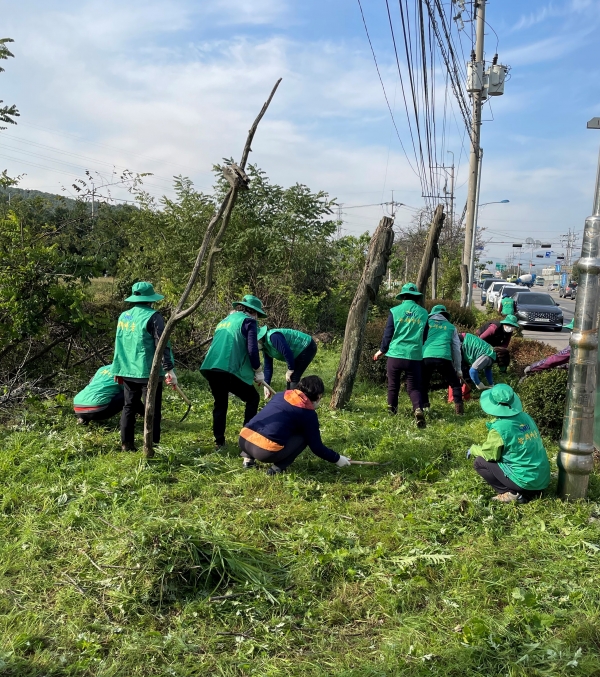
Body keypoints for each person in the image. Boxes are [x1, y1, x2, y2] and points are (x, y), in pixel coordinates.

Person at [238, 375, 351, 475]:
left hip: (244, 439)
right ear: (318, 397)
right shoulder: (308, 414)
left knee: (266, 426)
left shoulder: (280, 395)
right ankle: (277, 468)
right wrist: (337, 458)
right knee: (305, 436)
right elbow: (317, 447)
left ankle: (248, 460)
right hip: (264, 452)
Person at [112, 282, 176, 451]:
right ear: (151, 299)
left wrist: (116, 369)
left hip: (127, 370)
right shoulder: (154, 317)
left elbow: (119, 344)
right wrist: (169, 369)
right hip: (148, 371)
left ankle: (127, 444)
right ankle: (151, 444)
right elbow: (161, 345)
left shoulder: (123, 316)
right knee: (152, 408)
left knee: (128, 407)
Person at [200, 294, 266, 450]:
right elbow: (252, 349)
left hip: (211, 366)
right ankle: (246, 439)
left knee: (220, 404)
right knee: (253, 398)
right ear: (254, 312)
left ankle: (219, 442)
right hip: (227, 368)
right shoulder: (249, 321)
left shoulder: (224, 321)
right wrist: (258, 370)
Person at [468, 383, 550, 503]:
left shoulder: (499, 428)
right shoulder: (525, 417)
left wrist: (473, 449)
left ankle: (511, 493)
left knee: (480, 462)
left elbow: (490, 455)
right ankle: (527, 492)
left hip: (524, 481)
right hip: (542, 479)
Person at [373, 282, 429, 427]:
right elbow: (425, 335)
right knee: (414, 387)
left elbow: (388, 334)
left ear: (403, 296)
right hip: (414, 356)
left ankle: (391, 412)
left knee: (393, 385)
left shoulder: (395, 311)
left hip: (395, 355)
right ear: (416, 297)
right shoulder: (424, 313)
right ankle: (417, 409)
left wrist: (382, 350)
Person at [421, 304, 464, 415]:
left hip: (426, 357)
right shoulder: (451, 327)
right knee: (455, 384)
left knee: (423, 384)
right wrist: (458, 369)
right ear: (445, 315)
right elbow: (456, 349)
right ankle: (459, 410)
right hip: (443, 358)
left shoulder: (425, 324)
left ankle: (425, 408)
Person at [73, 363, 143, 424]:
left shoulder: (102, 368)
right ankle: (146, 416)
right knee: (130, 393)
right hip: (98, 410)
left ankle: (83, 418)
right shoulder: (124, 371)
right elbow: (130, 393)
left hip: (77, 406)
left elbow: (91, 381)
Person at [258, 326, 317, 395]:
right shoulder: (265, 347)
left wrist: (290, 369)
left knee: (294, 376)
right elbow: (268, 367)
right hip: (295, 352)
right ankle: (289, 396)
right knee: (291, 377)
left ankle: (294, 399)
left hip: (307, 346)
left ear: (260, 338)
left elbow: (287, 353)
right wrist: (266, 386)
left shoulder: (273, 337)